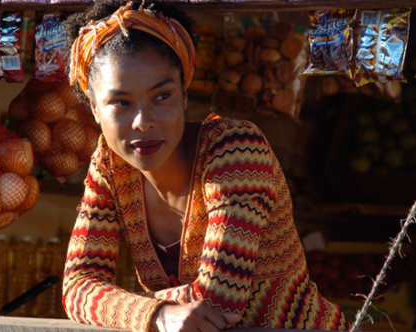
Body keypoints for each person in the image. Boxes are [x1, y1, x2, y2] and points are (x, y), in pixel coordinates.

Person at [63, 2, 348, 332]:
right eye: (121, 103)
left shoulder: (236, 150)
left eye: (162, 96)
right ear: (95, 109)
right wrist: (155, 314)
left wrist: (132, 306)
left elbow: (218, 302)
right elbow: (77, 286)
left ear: (184, 95)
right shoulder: (110, 164)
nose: (143, 122)